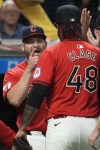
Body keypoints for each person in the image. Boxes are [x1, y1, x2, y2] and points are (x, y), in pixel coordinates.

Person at [15, 4, 100, 150]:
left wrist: (23, 128)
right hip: (92, 128)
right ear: (80, 25)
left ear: (59, 27)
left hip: (62, 126)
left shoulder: (51, 52)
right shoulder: (97, 53)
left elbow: (37, 93)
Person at [3, 25, 47, 150]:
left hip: (58, 132)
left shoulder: (56, 68)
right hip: (32, 137)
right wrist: (30, 69)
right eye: (30, 42)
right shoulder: (14, 73)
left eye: (39, 41)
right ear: (22, 47)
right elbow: (15, 101)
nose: (35, 45)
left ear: (46, 44)